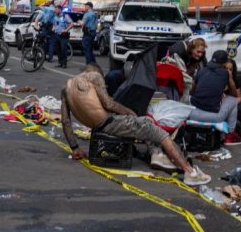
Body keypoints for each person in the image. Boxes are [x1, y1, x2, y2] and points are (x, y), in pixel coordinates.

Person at [61, 63, 211, 186]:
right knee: (157, 131)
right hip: (109, 124)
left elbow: (66, 121)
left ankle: (158, 155)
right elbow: (108, 104)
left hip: (99, 126)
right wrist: (130, 112)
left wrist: (75, 148)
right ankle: (190, 172)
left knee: (144, 125)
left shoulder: (66, 88)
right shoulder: (94, 76)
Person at [189, 50, 241, 145]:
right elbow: (234, 95)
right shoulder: (225, 73)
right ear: (224, 63)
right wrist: (230, 78)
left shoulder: (201, 71)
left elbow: (192, 92)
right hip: (213, 117)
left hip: (193, 114)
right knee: (232, 100)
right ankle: (230, 134)